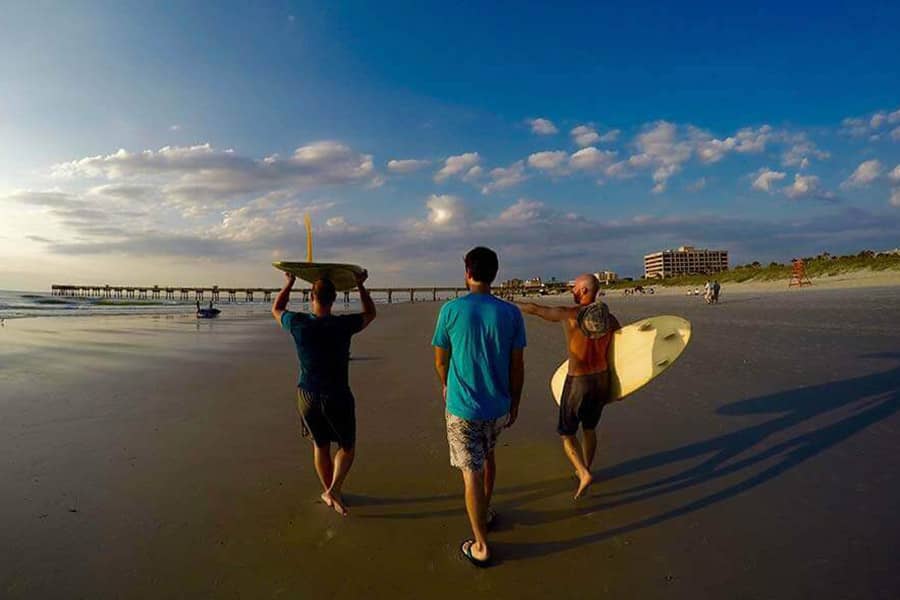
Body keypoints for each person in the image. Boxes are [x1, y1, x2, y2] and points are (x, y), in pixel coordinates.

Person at [432, 246, 525, 568]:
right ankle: (484, 511)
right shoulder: (511, 313)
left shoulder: (451, 310)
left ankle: (481, 544)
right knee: (488, 456)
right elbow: (517, 365)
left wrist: (446, 384)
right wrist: (515, 400)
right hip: (498, 406)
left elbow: (440, 358)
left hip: (463, 408)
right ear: (494, 274)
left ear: (467, 273)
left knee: (471, 471)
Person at [272, 270, 376, 516]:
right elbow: (370, 313)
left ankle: (328, 490)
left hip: (307, 395)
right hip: (337, 395)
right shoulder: (343, 325)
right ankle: (334, 489)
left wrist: (289, 282)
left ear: (311, 297)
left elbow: (276, 308)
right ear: (335, 299)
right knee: (347, 448)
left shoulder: (298, 323)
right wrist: (361, 286)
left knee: (320, 445)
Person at [517, 274, 621, 499]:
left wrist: (510, 305)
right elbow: (620, 353)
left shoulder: (572, 315)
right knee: (590, 429)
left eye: (575, 288)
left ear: (585, 290)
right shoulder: (610, 320)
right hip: (602, 379)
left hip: (579, 381)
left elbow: (537, 310)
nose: (572, 291)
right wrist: (620, 386)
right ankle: (585, 467)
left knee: (566, 433)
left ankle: (583, 472)